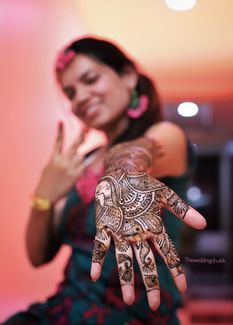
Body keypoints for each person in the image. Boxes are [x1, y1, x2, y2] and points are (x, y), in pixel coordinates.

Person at [3, 37, 206, 325]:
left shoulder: (165, 134)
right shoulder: (83, 162)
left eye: (90, 79)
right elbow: (38, 256)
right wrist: (43, 195)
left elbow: (138, 155)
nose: (80, 97)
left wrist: (122, 177)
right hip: (62, 311)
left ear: (128, 76)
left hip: (132, 315)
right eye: (71, 92)